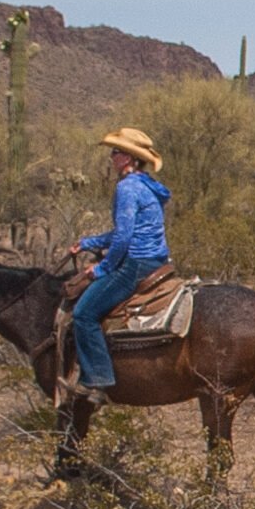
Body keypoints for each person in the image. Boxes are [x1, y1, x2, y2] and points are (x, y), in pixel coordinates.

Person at [58, 127, 171, 409]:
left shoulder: (127, 188)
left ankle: (98, 380)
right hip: (157, 260)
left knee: (84, 314)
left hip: (135, 263)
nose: (111, 156)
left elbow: (123, 238)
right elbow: (125, 230)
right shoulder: (146, 184)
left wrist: (102, 268)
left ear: (129, 158)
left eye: (116, 152)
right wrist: (87, 242)